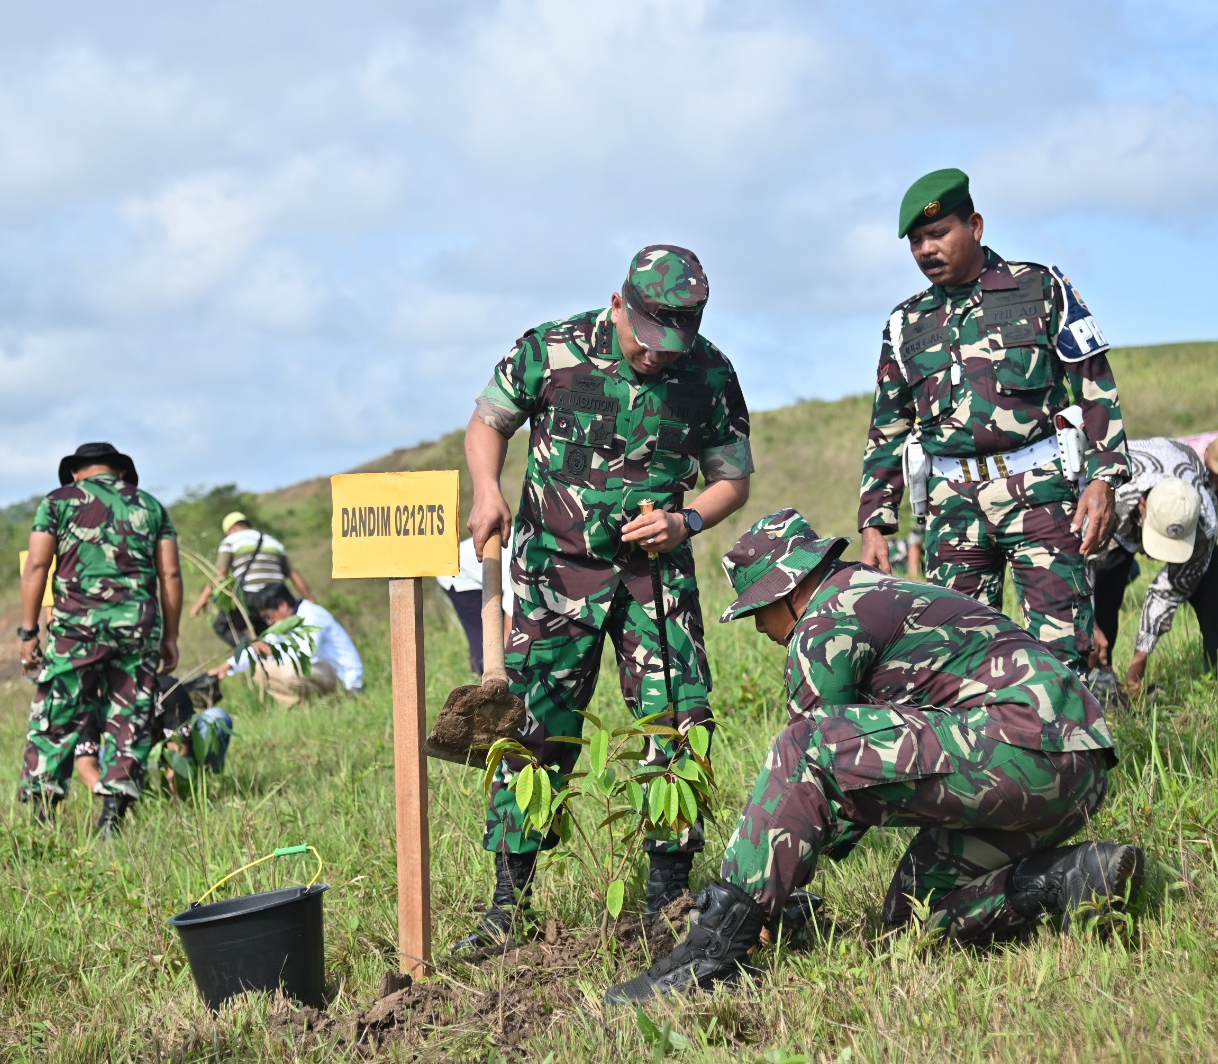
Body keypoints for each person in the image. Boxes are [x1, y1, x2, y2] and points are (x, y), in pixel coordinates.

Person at [605, 510, 1142, 1004]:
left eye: (756, 613)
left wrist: (759, 899)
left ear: (786, 592)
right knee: (911, 912)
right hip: (1077, 769)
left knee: (803, 745)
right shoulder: (867, 590)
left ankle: (715, 949)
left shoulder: (823, 624)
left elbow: (810, 778)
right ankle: (1068, 877)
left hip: (1020, 745)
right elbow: (851, 779)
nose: (759, 629)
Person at [460, 244, 754, 951]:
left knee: (676, 725)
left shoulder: (708, 372)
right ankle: (510, 906)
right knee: (528, 731)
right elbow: (489, 423)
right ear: (619, 304)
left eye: (671, 345)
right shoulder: (553, 351)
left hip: (654, 581)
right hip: (553, 575)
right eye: (647, 341)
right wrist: (486, 489)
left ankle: (669, 899)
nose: (656, 358)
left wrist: (686, 519)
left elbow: (732, 478)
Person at [858, 168, 1129, 674]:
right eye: (916, 241)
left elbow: (1095, 384)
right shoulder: (904, 323)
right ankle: (984, 753)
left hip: (1040, 493)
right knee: (955, 658)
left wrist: (1105, 476)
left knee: (1061, 651)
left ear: (975, 226)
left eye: (938, 234)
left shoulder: (1040, 288)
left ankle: (1065, 751)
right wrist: (875, 523)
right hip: (951, 509)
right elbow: (888, 427)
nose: (926, 250)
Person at [18, 441, 182, 836]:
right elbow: (171, 576)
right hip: (136, 629)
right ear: (120, 472)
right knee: (129, 717)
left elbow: (38, 564)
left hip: (76, 630)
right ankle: (113, 816)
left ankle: (43, 818)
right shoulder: (150, 507)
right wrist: (170, 637)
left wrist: (28, 631)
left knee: (57, 715)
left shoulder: (57, 503)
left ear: (76, 473)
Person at [1087, 437, 1218, 707]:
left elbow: (1167, 593)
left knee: (1213, 574)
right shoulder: (1113, 495)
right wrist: (1088, 623)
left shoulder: (1204, 518)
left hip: (1180, 494)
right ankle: (1097, 675)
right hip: (1122, 505)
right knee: (1104, 580)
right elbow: (1080, 561)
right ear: (1143, 507)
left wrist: (1139, 663)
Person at [209, 584, 363, 704]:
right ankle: (307, 708)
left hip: (344, 678)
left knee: (290, 673)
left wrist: (271, 652)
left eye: (269, 616)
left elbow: (306, 654)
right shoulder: (286, 624)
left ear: (283, 605)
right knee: (260, 672)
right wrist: (228, 666)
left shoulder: (312, 615)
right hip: (320, 674)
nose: (269, 622)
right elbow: (261, 649)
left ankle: (336, 700)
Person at [189, 512, 315, 646]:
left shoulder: (230, 541)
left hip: (253, 598)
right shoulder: (272, 541)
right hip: (280, 596)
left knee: (222, 625)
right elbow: (294, 574)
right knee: (278, 638)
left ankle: (254, 652)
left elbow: (221, 573)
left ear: (229, 530)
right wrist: (311, 600)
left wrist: (202, 601)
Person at [436, 536, 514, 674]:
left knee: (497, 635)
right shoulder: (524, 558)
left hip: (486, 572)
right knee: (487, 637)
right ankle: (482, 682)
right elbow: (510, 620)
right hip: (458, 575)